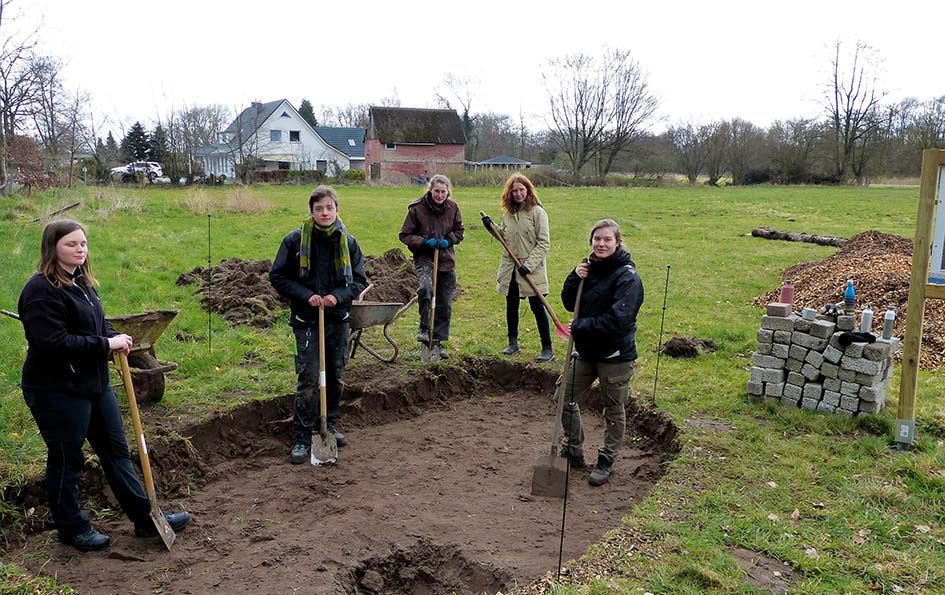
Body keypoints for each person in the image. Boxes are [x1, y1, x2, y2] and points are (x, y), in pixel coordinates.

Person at [18, 219, 190, 552]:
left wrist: (112, 336)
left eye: (83, 243)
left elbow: (99, 323)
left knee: (117, 454)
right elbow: (53, 344)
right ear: (52, 248)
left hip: (94, 384)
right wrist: (104, 345)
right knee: (68, 459)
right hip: (56, 389)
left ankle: (146, 516)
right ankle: (72, 528)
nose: (80, 249)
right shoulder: (40, 290)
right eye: (71, 244)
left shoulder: (82, 282)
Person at [270, 185, 367, 464]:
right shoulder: (295, 241)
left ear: (337, 209)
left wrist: (337, 297)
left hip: (337, 318)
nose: (325, 213)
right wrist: (307, 296)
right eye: (319, 208)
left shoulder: (348, 242)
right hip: (307, 319)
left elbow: (359, 280)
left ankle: (330, 425)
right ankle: (302, 436)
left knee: (335, 374)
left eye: (329, 207)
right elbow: (278, 276)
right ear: (311, 211)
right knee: (310, 378)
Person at [558, 219, 644, 486]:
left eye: (607, 239)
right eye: (597, 239)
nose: (601, 244)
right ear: (591, 242)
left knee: (613, 408)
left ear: (617, 243)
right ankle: (573, 448)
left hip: (615, 355)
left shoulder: (627, 276)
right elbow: (569, 303)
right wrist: (575, 277)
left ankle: (606, 460)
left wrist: (582, 326)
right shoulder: (588, 270)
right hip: (586, 352)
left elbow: (619, 320)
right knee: (563, 396)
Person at [399, 174, 464, 359]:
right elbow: (405, 235)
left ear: (448, 192)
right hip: (425, 259)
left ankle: (438, 342)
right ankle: (424, 328)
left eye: (443, 192)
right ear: (430, 190)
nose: (440, 195)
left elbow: (459, 231)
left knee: (445, 302)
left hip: (446, 260)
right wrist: (424, 242)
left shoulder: (453, 208)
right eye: (437, 191)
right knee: (425, 288)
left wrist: (449, 240)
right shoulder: (417, 209)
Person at [494, 173, 554, 362]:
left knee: (538, 307)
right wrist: (492, 228)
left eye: (521, 190)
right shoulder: (509, 214)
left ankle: (547, 348)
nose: (518, 194)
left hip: (531, 269)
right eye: (514, 191)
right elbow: (505, 238)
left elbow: (544, 243)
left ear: (528, 190)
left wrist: (528, 266)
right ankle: (513, 343)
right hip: (511, 268)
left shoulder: (538, 213)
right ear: (509, 194)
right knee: (511, 305)